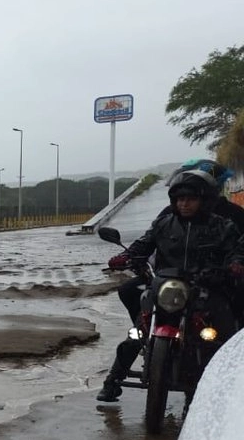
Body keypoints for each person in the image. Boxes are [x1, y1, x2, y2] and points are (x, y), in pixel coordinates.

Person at [95, 166, 244, 402]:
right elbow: (144, 243)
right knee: (137, 331)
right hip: (165, 286)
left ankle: (224, 386)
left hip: (205, 287)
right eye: (180, 199)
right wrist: (127, 256)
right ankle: (113, 380)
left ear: (204, 200)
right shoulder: (164, 223)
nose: (184, 204)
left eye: (191, 199)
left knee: (222, 333)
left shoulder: (222, 226)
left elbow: (237, 250)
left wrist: (235, 264)